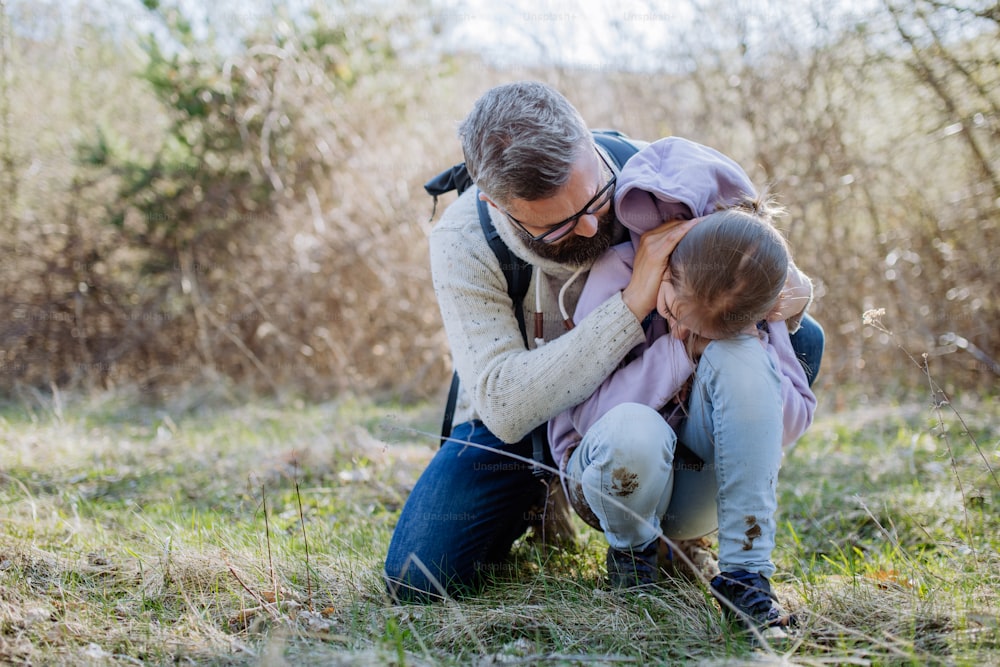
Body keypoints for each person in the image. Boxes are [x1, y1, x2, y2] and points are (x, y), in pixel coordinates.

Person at [383, 81, 824, 604]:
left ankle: (682, 520)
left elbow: (764, 273)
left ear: (587, 141)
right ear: (497, 203)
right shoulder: (463, 239)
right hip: (525, 423)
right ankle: (545, 499)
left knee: (804, 340)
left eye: (595, 196)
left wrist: (781, 297)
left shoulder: (661, 181)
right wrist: (635, 302)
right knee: (419, 575)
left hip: (660, 412)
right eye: (560, 223)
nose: (592, 225)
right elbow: (502, 403)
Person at [548, 136, 817, 631]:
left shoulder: (744, 284)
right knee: (635, 430)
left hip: (697, 491)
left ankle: (746, 578)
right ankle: (633, 564)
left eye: (699, 328)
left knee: (741, 358)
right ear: (666, 265)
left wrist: (745, 342)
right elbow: (584, 415)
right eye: (671, 309)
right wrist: (680, 351)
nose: (680, 326)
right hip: (611, 482)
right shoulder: (620, 270)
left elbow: (791, 421)